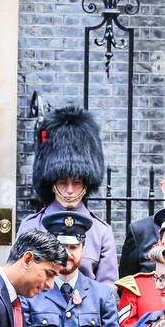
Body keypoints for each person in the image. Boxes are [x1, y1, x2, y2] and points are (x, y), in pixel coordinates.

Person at [16, 106, 118, 284]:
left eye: (77, 182)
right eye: (63, 182)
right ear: (52, 182)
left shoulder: (101, 232)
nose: (70, 190)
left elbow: (107, 289)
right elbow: (18, 282)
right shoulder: (30, 226)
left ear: (86, 183)